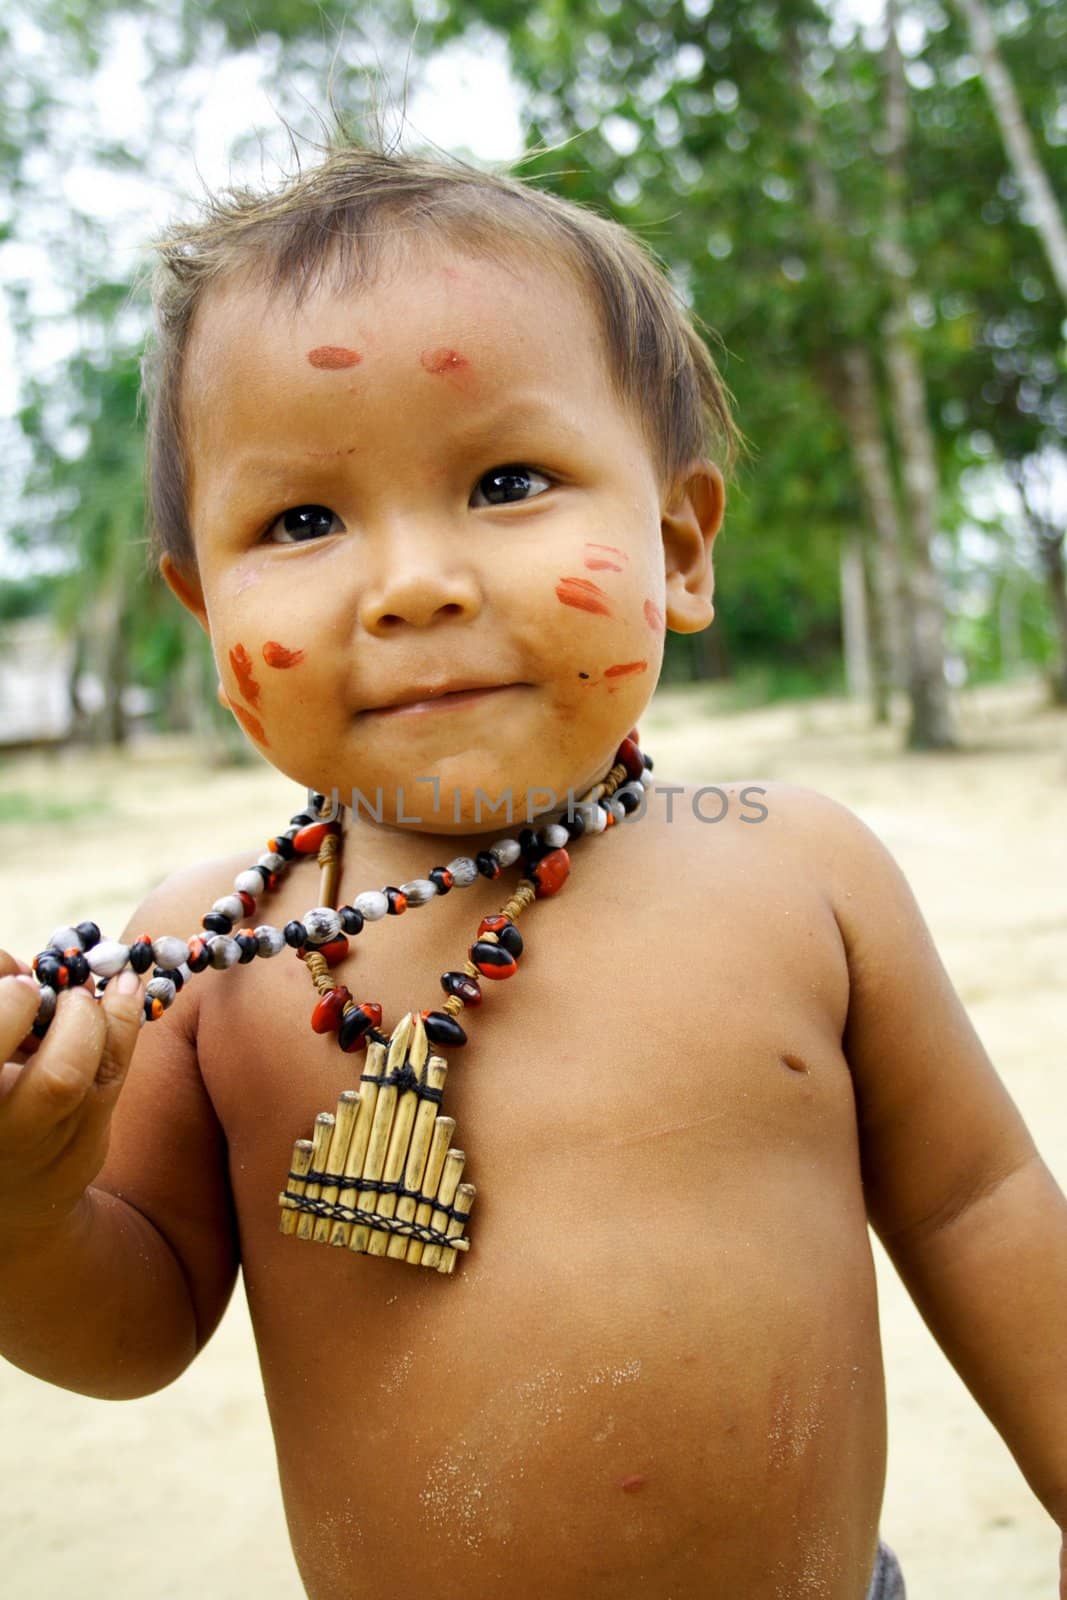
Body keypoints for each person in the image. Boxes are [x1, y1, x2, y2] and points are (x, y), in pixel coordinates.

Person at [0, 132, 1064, 1600]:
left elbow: (979, 1204)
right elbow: (138, 1325)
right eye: (301, 521)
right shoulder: (196, 962)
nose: (418, 581)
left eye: (507, 479)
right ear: (204, 610)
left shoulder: (798, 874)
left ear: (680, 549)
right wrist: (23, 1213)